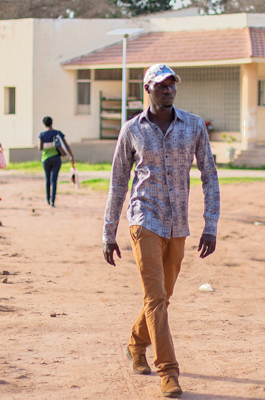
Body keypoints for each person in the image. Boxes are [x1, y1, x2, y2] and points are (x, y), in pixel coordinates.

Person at [102, 64, 220, 398]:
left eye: (172, 85)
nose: (168, 90)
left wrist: (210, 225)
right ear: (148, 89)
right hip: (144, 219)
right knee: (155, 298)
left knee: (163, 297)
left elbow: (209, 175)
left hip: (178, 224)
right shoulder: (132, 130)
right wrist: (109, 232)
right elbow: (118, 182)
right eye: (161, 85)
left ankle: (135, 345)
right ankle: (168, 372)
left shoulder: (194, 126)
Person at [38, 116, 75, 207]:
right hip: (56, 159)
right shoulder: (58, 133)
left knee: (47, 180)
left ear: (44, 124)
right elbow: (66, 145)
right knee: (54, 180)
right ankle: (53, 201)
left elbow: (40, 148)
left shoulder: (42, 135)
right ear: (52, 123)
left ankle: (47, 199)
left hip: (46, 159)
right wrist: (71, 156)